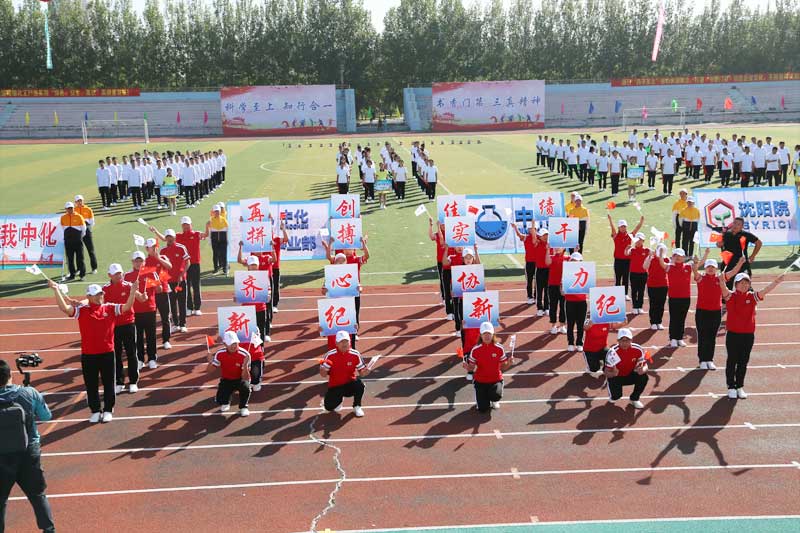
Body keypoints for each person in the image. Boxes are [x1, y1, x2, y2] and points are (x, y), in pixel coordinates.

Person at [50, 279, 138, 422]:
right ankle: (95, 411)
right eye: (96, 294)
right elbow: (65, 308)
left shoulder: (110, 308)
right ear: (89, 296)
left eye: (101, 294)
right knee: (91, 385)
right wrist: (56, 290)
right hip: (88, 355)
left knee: (109, 383)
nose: (100, 296)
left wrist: (133, 292)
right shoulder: (82, 310)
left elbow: (127, 307)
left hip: (107, 353)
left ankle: (108, 409)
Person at [0, 360, 56, 533]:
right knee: (37, 495)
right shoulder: (29, 392)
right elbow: (46, 416)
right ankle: (49, 529)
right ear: (10, 375)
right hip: (28, 452)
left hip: (2, 456)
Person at [722, 271, 784, 399]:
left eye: (746, 283)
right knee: (732, 360)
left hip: (748, 335)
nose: (744, 285)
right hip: (733, 335)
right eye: (741, 283)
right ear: (736, 284)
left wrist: (776, 282)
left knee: (743, 361)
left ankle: (739, 386)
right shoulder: (731, 296)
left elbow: (765, 291)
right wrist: (721, 280)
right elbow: (723, 289)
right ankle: (731, 386)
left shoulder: (752, 297)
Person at [692, 251, 745, 370]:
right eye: (708, 267)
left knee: (711, 337)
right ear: (705, 268)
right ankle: (702, 360)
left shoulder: (720, 279)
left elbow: (733, 272)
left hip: (716, 312)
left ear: (716, 268)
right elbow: (694, 270)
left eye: (713, 267)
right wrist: (695, 263)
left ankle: (709, 359)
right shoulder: (701, 278)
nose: (710, 269)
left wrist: (740, 262)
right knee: (703, 336)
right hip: (702, 312)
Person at [104, 263, 145, 394]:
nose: (119, 276)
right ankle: (119, 381)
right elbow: (94, 301)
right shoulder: (105, 289)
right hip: (113, 326)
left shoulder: (128, 285)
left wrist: (143, 296)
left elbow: (141, 298)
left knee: (131, 353)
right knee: (116, 355)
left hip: (128, 324)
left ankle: (133, 381)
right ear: (109, 275)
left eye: (120, 273)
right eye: (116, 274)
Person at [320, 330, 371, 417]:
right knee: (329, 407)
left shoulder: (355, 354)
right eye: (341, 341)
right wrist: (322, 370)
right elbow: (323, 375)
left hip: (349, 384)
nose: (344, 344)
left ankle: (357, 406)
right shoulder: (330, 355)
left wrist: (366, 372)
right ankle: (339, 400)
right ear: (336, 343)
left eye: (346, 341)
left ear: (350, 342)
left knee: (360, 385)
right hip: (335, 385)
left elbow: (362, 373)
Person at [464, 322, 511, 413]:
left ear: (493, 334)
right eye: (484, 334)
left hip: (495, 380)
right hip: (480, 381)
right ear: (480, 335)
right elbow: (471, 368)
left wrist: (509, 363)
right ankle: (481, 397)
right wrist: (467, 367)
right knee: (483, 409)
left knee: (496, 396)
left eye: (489, 333)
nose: (487, 336)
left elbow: (503, 367)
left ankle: (494, 399)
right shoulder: (475, 349)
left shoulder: (499, 348)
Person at [125, 252, 162, 371]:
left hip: (150, 309)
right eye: (136, 261)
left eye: (140, 261)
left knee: (151, 336)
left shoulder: (151, 272)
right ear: (132, 262)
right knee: (138, 337)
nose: (138, 263)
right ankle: (140, 359)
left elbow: (159, 289)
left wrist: (154, 283)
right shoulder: (127, 276)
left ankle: (152, 358)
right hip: (134, 311)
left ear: (144, 262)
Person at [152, 227, 190, 333]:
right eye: (167, 237)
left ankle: (182, 324)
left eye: (171, 237)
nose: (169, 239)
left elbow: (188, 262)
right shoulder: (163, 251)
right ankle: (175, 324)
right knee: (172, 303)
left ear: (174, 237)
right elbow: (161, 267)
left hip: (180, 281)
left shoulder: (181, 248)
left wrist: (182, 274)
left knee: (182, 302)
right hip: (169, 282)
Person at [207, 331, 252, 416]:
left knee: (246, 387)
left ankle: (243, 407)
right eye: (230, 344)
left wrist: (245, 365)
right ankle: (226, 402)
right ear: (225, 344)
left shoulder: (245, 355)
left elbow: (246, 378)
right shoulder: (219, 353)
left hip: (240, 379)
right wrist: (210, 362)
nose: (234, 346)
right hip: (226, 379)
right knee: (219, 400)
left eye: (235, 343)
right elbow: (209, 371)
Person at [603, 328, 648, 409]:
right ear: (618, 341)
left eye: (627, 340)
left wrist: (643, 370)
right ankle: (614, 394)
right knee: (616, 397)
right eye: (622, 340)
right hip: (616, 377)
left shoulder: (638, 349)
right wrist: (613, 374)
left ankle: (634, 399)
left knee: (644, 377)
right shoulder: (612, 352)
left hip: (630, 374)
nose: (625, 343)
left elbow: (645, 365)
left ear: (631, 340)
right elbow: (606, 371)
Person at [235, 248, 273, 342]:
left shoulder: (263, 277)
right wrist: (236, 298)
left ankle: (260, 349)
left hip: (260, 308)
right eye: (251, 265)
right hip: (247, 309)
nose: (253, 267)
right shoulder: (242, 278)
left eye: (255, 265)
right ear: (248, 266)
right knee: (248, 332)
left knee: (261, 330)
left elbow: (268, 291)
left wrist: (268, 295)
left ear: (258, 265)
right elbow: (239, 295)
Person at [714, 216, 761, 288]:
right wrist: (719, 243)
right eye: (735, 223)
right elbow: (718, 244)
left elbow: (759, 243)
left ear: (742, 226)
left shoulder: (746, 235)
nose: (735, 225)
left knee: (745, 286)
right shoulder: (726, 234)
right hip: (728, 264)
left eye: (738, 224)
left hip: (742, 264)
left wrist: (752, 256)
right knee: (726, 286)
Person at [608, 215, 644, 298]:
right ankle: (617, 294)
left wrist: (641, 221)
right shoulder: (616, 236)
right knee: (618, 278)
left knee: (626, 278)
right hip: (618, 260)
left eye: (624, 226)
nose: (623, 228)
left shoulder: (630, 236)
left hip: (627, 260)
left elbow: (637, 229)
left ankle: (625, 294)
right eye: (621, 226)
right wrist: (610, 220)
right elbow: (612, 228)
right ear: (619, 227)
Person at [666, 249, 693, 348]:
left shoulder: (688, 267)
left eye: (680, 256)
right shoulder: (669, 267)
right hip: (673, 297)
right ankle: (673, 338)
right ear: (673, 257)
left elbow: (698, 264)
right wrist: (661, 255)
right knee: (674, 318)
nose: (678, 257)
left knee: (682, 318)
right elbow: (662, 263)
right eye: (676, 255)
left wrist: (706, 254)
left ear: (684, 257)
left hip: (685, 297)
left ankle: (679, 338)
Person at [563, 252, 588, 352]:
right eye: (573, 260)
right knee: (570, 323)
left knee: (581, 323)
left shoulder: (586, 272)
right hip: (570, 301)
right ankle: (570, 343)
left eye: (577, 261)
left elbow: (589, 287)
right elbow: (562, 291)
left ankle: (579, 342)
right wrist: (563, 288)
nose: (575, 263)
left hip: (582, 301)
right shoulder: (566, 273)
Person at [511, 221, 538, 305]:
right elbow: (519, 235)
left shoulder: (540, 238)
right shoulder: (526, 237)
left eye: (533, 228)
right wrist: (515, 227)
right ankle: (530, 297)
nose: (532, 230)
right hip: (529, 263)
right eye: (530, 229)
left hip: (538, 263)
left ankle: (536, 296)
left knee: (537, 281)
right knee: (529, 280)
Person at [60, 201, 86, 281]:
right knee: (70, 259)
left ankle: (82, 275)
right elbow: (62, 228)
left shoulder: (79, 217)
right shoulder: (63, 217)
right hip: (68, 241)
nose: (70, 210)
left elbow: (83, 229)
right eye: (68, 208)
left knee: (80, 258)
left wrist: (79, 237)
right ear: (66, 209)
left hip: (78, 241)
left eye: (71, 208)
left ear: (73, 208)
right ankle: (72, 274)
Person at [544, 245, 567, 335]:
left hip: (564, 286)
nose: (557, 248)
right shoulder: (552, 257)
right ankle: (553, 325)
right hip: (553, 285)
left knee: (563, 306)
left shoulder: (568, 258)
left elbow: (577, 264)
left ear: (564, 248)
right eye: (556, 246)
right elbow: (547, 263)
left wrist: (576, 251)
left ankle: (562, 325)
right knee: (553, 306)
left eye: (559, 246)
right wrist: (547, 250)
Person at [73, 195, 98, 275]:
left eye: (81, 200)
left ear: (83, 201)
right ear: (75, 202)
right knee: (78, 252)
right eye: (78, 201)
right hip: (77, 232)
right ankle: (79, 269)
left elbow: (92, 222)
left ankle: (94, 268)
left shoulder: (88, 209)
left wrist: (87, 229)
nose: (80, 202)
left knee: (90, 250)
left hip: (87, 231)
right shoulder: (73, 210)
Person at [625, 233, 649, 314]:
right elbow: (626, 254)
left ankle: (640, 306)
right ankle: (635, 307)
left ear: (643, 241)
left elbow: (655, 254)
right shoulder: (632, 250)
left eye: (640, 240)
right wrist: (626, 249)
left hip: (643, 274)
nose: (639, 241)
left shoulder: (647, 250)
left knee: (641, 291)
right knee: (634, 290)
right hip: (633, 273)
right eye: (637, 240)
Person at [270, 219, 289, 312]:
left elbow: (286, 239)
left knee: (275, 286)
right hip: (264, 268)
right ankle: (266, 304)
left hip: (275, 267)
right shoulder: (261, 243)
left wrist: (283, 229)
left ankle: (274, 305)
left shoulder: (276, 240)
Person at [208, 205, 229, 276]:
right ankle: (216, 269)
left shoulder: (223, 219)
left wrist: (227, 240)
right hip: (214, 240)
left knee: (224, 254)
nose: (217, 212)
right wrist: (209, 240)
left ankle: (225, 268)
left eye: (218, 211)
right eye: (215, 211)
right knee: (215, 254)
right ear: (213, 212)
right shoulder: (211, 220)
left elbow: (227, 230)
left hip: (223, 240)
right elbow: (210, 231)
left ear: (220, 212)